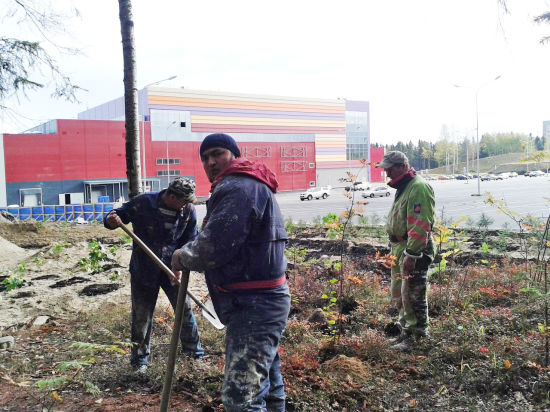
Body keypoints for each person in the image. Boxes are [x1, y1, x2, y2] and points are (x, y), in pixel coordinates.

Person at [171, 133, 290, 412]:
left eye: (217, 153)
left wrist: (182, 256)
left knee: (241, 398)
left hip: (254, 305)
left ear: (234, 155)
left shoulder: (238, 188)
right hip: (261, 301)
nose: (210, 162)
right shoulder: (245, 184)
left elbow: (212, 246)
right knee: (269, 385)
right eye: (205, 158)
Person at [104, 177, 204, 373]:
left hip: (173, 269)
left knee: (184, 310)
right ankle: (139, 361)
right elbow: (116, 217)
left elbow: (190, 241)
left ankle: (194, 353)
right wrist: (111, 220)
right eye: (183, 200)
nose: (186, 205)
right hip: (144, 269)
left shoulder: (187, 211)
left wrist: (181, 266)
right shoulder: (143, 203)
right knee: (142, 316)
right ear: (172, 196)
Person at [377, 151, 435, 351]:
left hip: (414, 250)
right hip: (401, 247)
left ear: (402, 166)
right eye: (385, 168)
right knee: (401, 293)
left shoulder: (418, 187)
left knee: (413, 292)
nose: (386, 172)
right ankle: (406, 331)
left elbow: (420, 225)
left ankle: (417, 335)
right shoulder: (404, 186)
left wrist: (412, 254)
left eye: (390, 168)